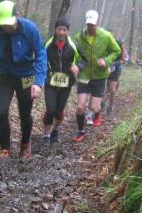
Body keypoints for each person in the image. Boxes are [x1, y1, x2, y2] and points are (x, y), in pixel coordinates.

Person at [0, 0, 47, 158]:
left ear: (17, 16)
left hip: (26, 75)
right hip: (4, 75)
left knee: (25, 113)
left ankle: (25, 144)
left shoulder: (30, 29)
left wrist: (38, 82)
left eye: (10, 23)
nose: (7, 27)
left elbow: (40, 53)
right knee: (2, 111)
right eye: (3, 24)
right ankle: (4, 148)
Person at [73, 10, 120, 142]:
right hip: (84, 75)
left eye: (93, 25)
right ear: (86, 23)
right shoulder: (78, 37)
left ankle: (97, 113)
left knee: (94, 107)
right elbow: (74, 53)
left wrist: (106, 60)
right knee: (80, 107)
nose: (90, 27)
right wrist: (76, 65)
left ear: (98, 22)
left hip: (99, 76)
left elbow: (116, 51)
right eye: (88, 24)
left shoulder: (106, 36)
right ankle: (81, 131)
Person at [42, 16, 80, 144]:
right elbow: (41, 59)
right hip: (50, 82)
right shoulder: (48, 44)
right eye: (59, 29)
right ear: (55, 30)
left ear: (68, 31)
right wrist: (45, 74)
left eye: (64, 30)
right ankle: (46, 134)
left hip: (66, 83)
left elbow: (82, 59)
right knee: (50, 109)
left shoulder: (73, 46)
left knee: (58, 112)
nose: (62, 32)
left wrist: (78, 67)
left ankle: (56, 129)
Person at [104, 35, 129, 115]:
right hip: (105, 68)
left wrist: (114, 63)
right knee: (104, 88)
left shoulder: (120, 44)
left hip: (116, 68)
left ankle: (110, 106)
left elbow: (125, 59)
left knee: (112, 89)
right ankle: (102, 103)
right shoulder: (104, 44)